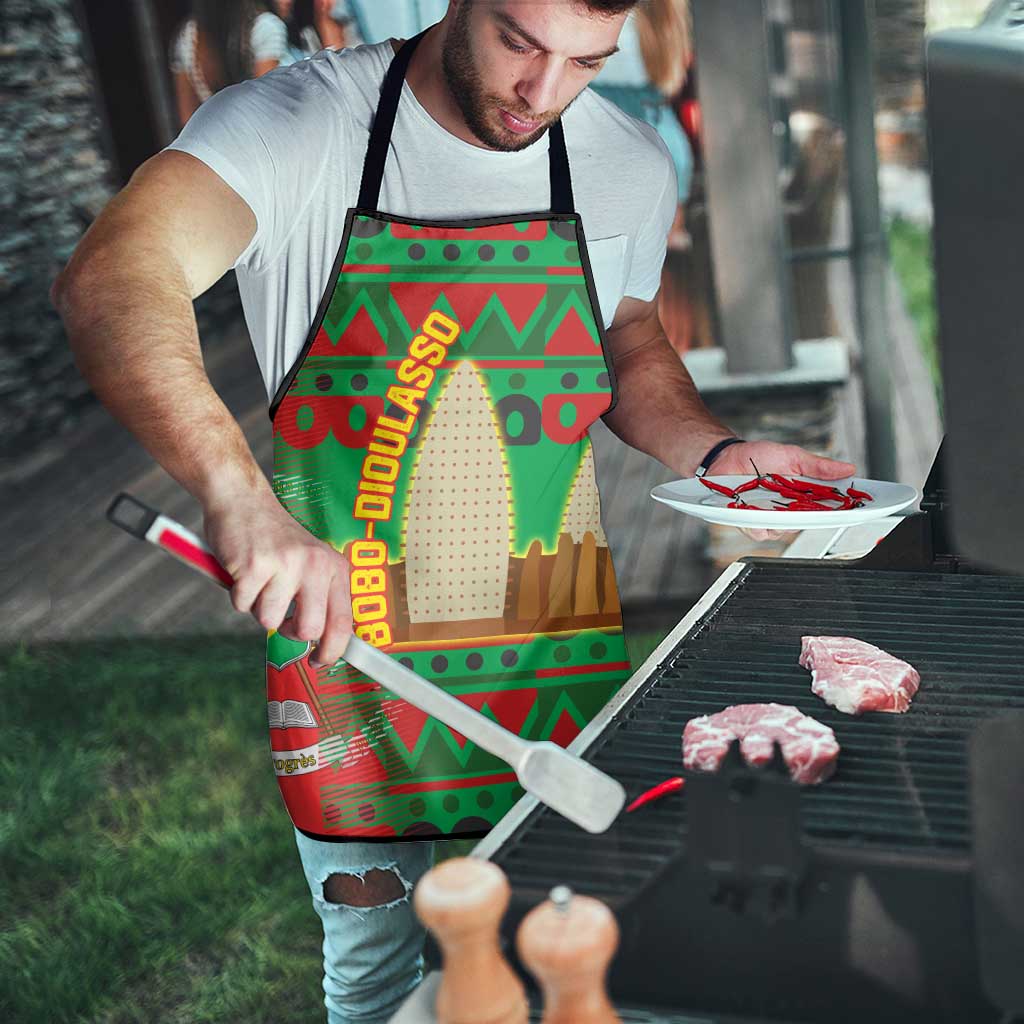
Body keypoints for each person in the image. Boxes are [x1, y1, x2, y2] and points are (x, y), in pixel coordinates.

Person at [53, 2, 855, 1021]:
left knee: (577, 960)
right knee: (379, 979)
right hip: (351, 666)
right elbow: (114, 275)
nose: (543, 93)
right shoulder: (299, 126)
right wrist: (237, 495)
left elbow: (626, 337)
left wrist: (715, 450)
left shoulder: (625, 161)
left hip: (551, 656)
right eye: (520, 42)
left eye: (586, 62)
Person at [170, 0, 289, 126]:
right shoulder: (265, 27)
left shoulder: (188, 37)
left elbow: (188, 120)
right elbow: (266, 107)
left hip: (216, 134)